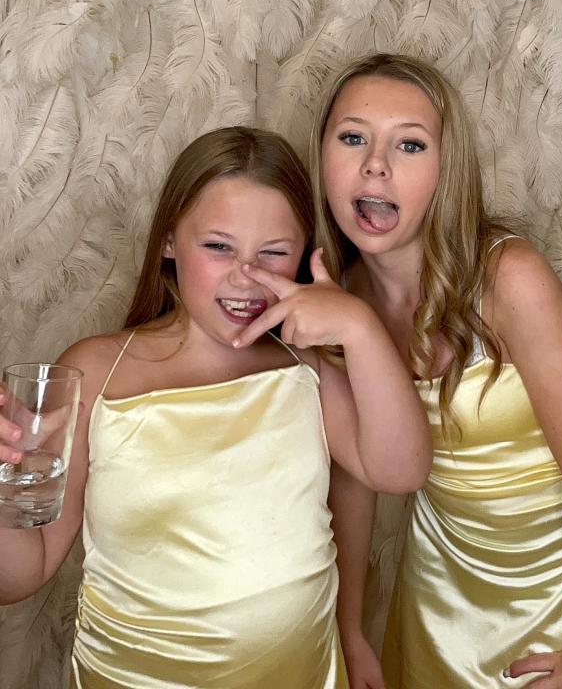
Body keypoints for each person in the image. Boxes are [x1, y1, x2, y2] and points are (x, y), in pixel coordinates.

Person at [0, 126, 432, 689]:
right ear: (169, 240)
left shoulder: (306, 367)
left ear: (305, 255)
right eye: (219, 247)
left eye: (273, 252)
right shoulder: (97, 372)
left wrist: (360, 325)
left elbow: (400, 471)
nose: (246, 275)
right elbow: (22, 573)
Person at [287, 54, 562, 689]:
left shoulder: (510, 279)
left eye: (410, 144)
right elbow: (356, 477)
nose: (376, 164)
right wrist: (349, 629)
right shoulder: (338, 300)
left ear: (446, 170)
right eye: (352, 138)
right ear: (323, 159)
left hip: (558, 604)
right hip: (438, 606)